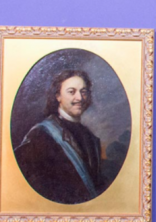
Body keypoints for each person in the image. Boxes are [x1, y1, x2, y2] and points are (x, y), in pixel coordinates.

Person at [14, 69, 104, 204]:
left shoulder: (92, 139)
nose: (79, 98)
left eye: (83, 91)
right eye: (71, 92)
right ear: (58, 96)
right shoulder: (40, 135)